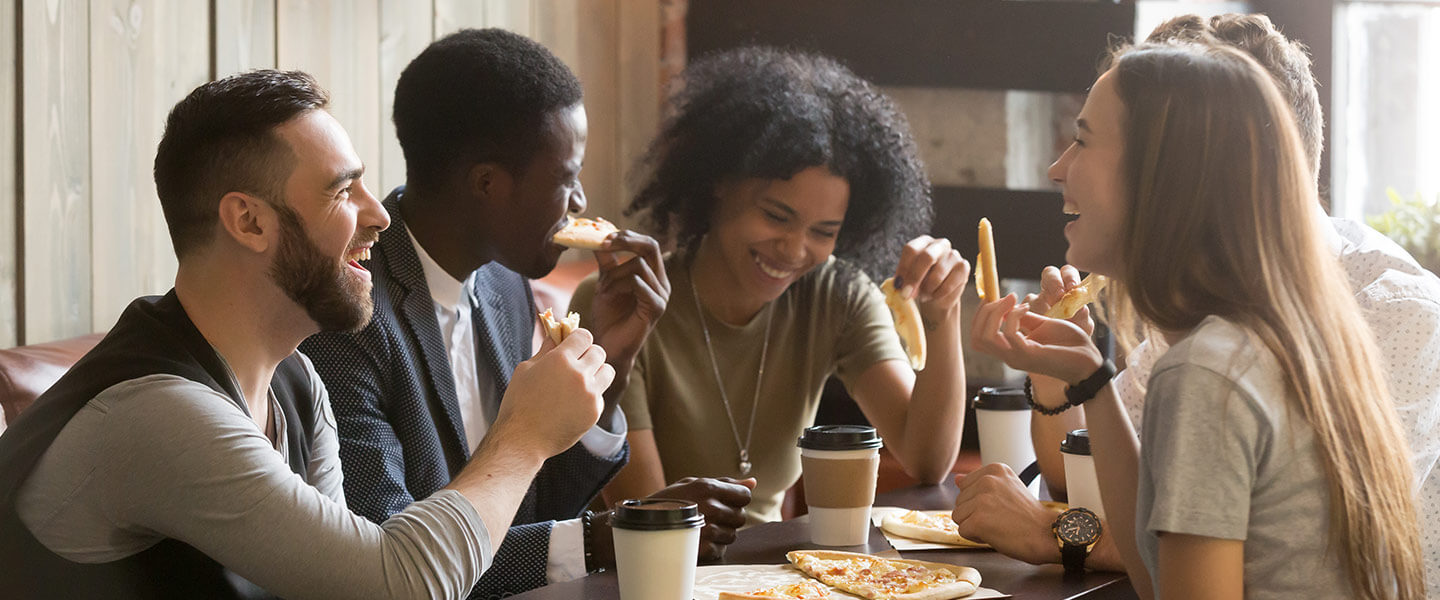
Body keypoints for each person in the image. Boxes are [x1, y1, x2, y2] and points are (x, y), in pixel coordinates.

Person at [0, 70, 612, 599]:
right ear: (248, 221)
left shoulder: (296, 379)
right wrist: (524, 435)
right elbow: (396, 585)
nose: (379, 215)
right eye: (342, 191)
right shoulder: (156, 412)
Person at [953, 14, 1440, 590]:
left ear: (1162, 178)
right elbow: (1155, 556)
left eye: (1082, 141)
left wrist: (1055, 533)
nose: (1058, 169)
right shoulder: (1260, 331)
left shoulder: (1211, 369)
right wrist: (1090, 380)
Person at [298, 28, 752, 597]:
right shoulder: (348, 315)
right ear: (487, 183)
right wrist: (607, 538)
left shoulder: (504, 280)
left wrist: (609, 361)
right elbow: (397, 562)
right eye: (567, 178)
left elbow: (529, 505)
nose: (582, 202)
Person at [572, 47, 971, 524]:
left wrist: (942, 315)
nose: (794, 250)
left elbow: (926, 460)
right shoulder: (622, 305)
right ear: (719, 182)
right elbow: (654, 522)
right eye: (776, 216)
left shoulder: (836, 297)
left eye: (823, 232)